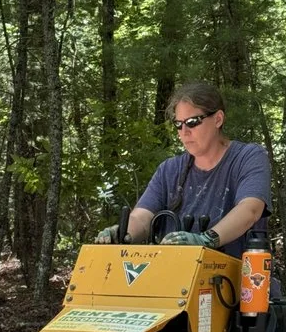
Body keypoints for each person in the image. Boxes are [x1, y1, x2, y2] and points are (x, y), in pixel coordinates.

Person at [96, 81, 271, 257]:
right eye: (179, 124)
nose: (184, 132)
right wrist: (121, 232)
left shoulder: (247, 157)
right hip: (175, 271)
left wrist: (206, 240)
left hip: (238, 272)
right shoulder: (169, 170)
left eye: (192, 122)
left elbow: (250, 209)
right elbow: (142, 216)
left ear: (218, 119)